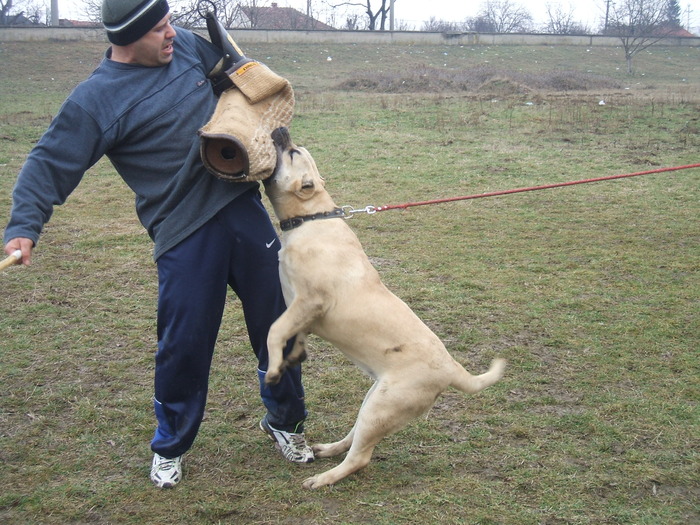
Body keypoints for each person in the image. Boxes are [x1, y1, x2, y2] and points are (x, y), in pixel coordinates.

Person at [2, 0, 313, 489]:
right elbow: (48, 161)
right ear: (128, 37)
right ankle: (171, 446)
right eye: (160, 28)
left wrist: (247, 96)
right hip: (183, 231)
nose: (172, 33)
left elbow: (232, 75)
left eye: (170, 22)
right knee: (183, 347)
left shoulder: (186, 46)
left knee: (282, 325)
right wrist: (24, 225)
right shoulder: (96, 100)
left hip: (240, 206)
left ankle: (286, 422)